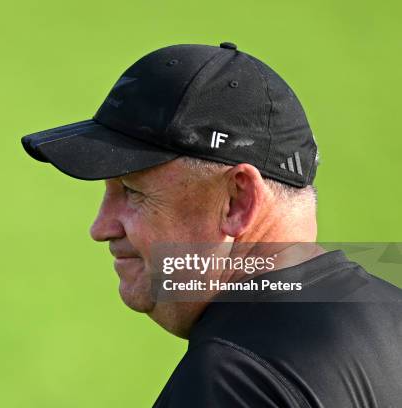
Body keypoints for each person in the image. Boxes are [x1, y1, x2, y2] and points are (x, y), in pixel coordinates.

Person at [21, 43, 402, 407]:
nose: (101, 228)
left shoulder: (232, 380)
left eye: (132, 192)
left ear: (238, 202)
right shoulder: (392, 315)